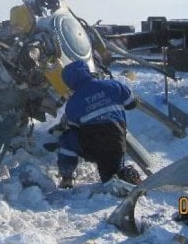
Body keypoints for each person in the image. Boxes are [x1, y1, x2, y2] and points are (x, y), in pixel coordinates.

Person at [56, 59, 141, 188]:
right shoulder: (113, 85)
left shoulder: (73, 103)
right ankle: (124, 173)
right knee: (113, 171)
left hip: (94, 147)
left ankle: (67, 178)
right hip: (117, 142)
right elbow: (132, 104)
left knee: (68, 139)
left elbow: (74, 128)